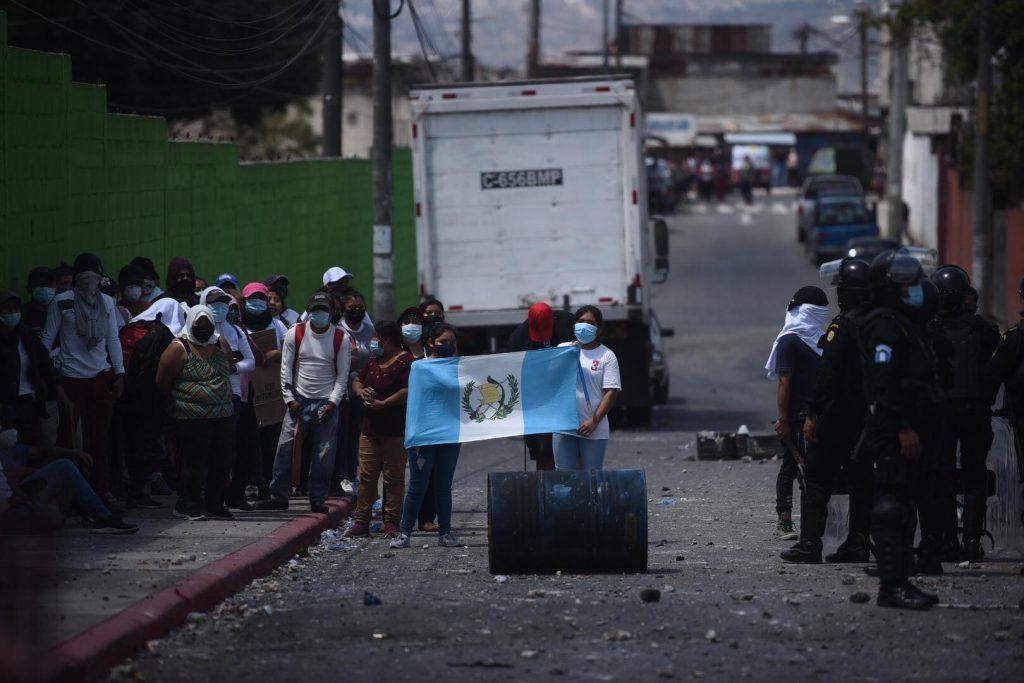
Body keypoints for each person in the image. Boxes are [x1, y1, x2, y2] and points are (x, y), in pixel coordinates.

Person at [859, 249, 942, 610]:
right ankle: (891, 587)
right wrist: (904, 427)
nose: (915, 288)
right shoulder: (884, 326)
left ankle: (902, 579)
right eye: (907, 283)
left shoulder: (906, 323)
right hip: (894, 429)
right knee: (892, 504)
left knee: (906, 504)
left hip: (913, 426)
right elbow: (884, 382)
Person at [782, 260, 873, 564]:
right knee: (862, 480)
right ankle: (858, 543)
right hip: (869, 416)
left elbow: (828, 375)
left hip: (838, 416)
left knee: (817, 478)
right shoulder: (880, 323)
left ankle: (810, 544)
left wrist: (812, 413)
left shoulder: (842, 326)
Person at [926, 266, 1000, 562]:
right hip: (975, 411)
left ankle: (947, 541)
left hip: (941, 415)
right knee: (974, 477)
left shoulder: (928, 330)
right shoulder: (985, 329)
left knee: (940, 475)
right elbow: (995, 371)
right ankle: (971, 540)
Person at [257, 292, 350, 514]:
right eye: (315, 310)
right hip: (298, 400)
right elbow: (286, 369)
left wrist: (332, 403)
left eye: (323, 310)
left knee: (323, 454)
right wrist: (290, 400)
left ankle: (317, 498)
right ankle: (279, 495)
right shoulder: (295, 333)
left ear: (331, 312)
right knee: (284, 449)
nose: (319, 314)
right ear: (309, 312)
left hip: (326, 402)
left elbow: (342, 376)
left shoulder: (340, 338)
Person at [42, 253, 125, 502]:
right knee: (69, 441)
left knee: (100, 440)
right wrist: (51, 377)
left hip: (99, 377)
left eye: (94, 275)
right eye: (84, 275)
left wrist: (119, 373)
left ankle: (99, 492)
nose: (90, 280)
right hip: (71, 378)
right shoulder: (62, 302)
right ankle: (69, 496)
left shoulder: (107, 303)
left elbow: (112, 338)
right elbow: (47, 339)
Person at [155, 305, 236, 521]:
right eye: (199, 325)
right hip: (190, 417)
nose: (203, 330)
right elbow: (163, 381)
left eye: (207, 326)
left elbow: (228, 367)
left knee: (222, 461)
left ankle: (214, 502)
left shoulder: (219, 342)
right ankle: (188, 503)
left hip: (222, 415)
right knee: (193, 463)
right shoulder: (179, 348)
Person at [0, 410, 138, 534]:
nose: (11, 430)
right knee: (52, 517)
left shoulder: (9, 450)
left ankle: (101, 515)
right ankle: (95, 514)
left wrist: (73, 453)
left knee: (64, 467)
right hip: (8, 506)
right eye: (6, 426)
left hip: (22, 497)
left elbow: (41, 451)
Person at [765, 286, 830, 541]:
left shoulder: (813, 340)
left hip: (812, 415)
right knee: (792, 467)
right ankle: (784, 519)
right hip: (799, 416)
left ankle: (812, 525)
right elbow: (784, 381)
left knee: (809, 471)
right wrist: (783, 419)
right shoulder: (799, 340)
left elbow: (788, 381)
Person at [391, 322, 463, 549]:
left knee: (443, 486)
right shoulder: (419, 368)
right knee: (418, 485)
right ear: (431, 343)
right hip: (424, 436)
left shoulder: (460, 368)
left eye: (452, 342)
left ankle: (445, 533)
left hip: (450, 435)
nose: (448, 346)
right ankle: (404, 534)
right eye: (443, 342)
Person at [346, 321, 412, 537]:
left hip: (394, 430)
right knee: (366, 477)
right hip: (370, 429)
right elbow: (358, 380)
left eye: (376, 337)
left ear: (386, 339)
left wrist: (384, 404)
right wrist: (360, 392)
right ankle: (361, 521)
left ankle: (392, 521)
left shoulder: (405, 361)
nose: (373, 341)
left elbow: (407, 390)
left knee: (393, 478)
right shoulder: (374, 360)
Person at [119, 299, 182, 508]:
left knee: (128, 444)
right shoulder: (164, 333)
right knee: (147, 445)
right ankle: (139, 491)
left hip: (125, 395)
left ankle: (127, 489)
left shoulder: (130, 327)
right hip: (151, 399)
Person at [199, 287, 257, 511]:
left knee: (237, 447)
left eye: (224, 303)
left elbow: (250, 361)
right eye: (214, 303)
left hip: (234, 395)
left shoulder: (235, 331)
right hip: (208, 397)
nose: (220, 307)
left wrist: (233, 367)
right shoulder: (198, 330)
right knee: (212, 450)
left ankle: (231, 494)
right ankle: (208, 496)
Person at [507, 302, 576, 470]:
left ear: (553, 319)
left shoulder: (568, 323)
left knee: (573, 448)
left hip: (568, 395)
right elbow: (514, 373)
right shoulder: (517, 339)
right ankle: (546, 484)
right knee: (542, 449)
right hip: (539, 399)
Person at [553, 305, 622, 471]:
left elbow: (611, 392)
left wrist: (594, 421)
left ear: (598, 330)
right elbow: (551, 382)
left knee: (591, 478)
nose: (585, 325)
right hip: (563, 427)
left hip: (593, 429)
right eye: (581, 321)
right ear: (573, 325)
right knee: (563, 477)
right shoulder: (562, 350)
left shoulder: (606, 355)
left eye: (590, 323)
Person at [1, 291, 65, 447]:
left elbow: (44, 363)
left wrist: (58, 387)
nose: (12, 313)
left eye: (15, 309)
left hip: (28, 401)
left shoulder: (26, 335)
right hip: (4, 404)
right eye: (6, 309)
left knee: (35, 447)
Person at [337, 291, 376, 491]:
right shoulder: (339, 330)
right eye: (352, 308)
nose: (357, 311)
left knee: (356, 435)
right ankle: (341, 475)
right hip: (342, 391)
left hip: (363, 391)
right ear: (343, 309)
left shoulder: (370, 330)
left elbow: (376, 355)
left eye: (361, 307)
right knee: (341, 434)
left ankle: (352, 473)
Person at [23, 266, 56, 337]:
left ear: (55, 287)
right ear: (29, 288)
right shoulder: (21, 314)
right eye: (39, 284)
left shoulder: (60, 312)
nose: (44, 288)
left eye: (49, 284)